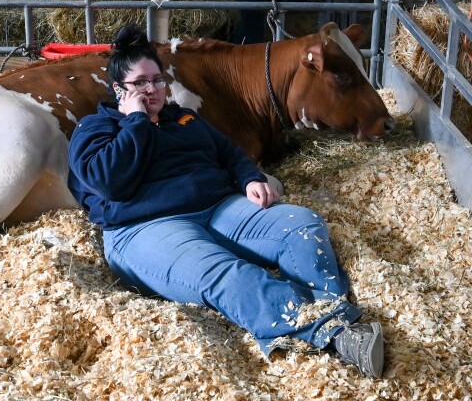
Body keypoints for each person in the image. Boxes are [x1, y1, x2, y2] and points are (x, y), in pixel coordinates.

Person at [67, 23, 386, 379]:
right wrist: (137, 121)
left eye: (157, 80)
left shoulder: (183, 118)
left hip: (217, 207)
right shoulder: (95, 127)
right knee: (225, 273)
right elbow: (109, 182)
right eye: (140, 83)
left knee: (302, 225)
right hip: (144, 227)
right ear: (119, 90)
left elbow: (228, 151)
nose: (152, 89)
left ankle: (329, 309)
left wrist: (250, 178)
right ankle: (336, 336)